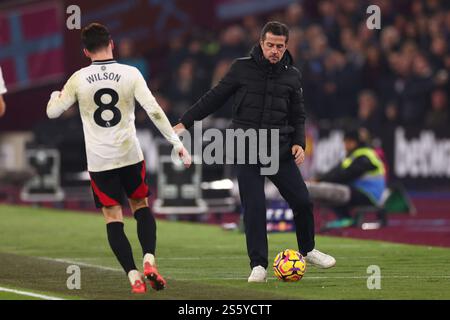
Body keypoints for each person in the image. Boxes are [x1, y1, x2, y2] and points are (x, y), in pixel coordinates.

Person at [174, 21, 336, 283]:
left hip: (279, 149)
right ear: (261, 43)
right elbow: (214, 97)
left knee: (303, 201)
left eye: (279, 46)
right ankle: (258, 265)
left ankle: (308, 250)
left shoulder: (293, 75)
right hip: (245, 147)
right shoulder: (241, 68)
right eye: (270, 45)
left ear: (286, 46)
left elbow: (298, 114)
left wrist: (298, 141)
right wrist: (185, 122)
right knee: (254, 207)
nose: (274, 50)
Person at [46, 23, 191, 294]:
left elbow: (53, 112)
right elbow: (155, 111)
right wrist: (176, 143)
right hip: (130, 155)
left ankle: (133, 276)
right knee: (141, 207)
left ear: (85, 50)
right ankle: (149, 260)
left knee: (113, 218)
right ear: (111, 43)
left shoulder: (78, 78)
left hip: (100, 162)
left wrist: (55, 95)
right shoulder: (130, 73)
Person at [308, 129, 387, 229]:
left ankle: (345, 218)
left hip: (369, 194)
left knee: (330, 191)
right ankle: (344, 218)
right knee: (329, 188)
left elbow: (346, 175)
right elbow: (337, 171)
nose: (344, 146)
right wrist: (319, 179)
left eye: (345, 142)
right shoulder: (354, 155)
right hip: (361, 191)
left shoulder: (365, 156)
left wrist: (320, 182)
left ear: (352, 142)